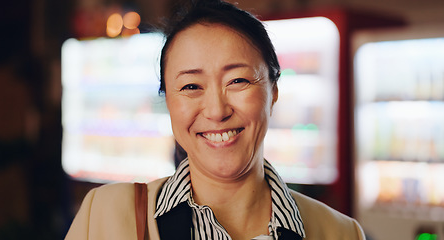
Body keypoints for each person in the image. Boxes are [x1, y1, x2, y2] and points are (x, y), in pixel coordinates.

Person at [65, 0, 366, 239]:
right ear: (168, 100)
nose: (216, 110)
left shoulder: (340, 233)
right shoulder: (105, 216)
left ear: (273, 91)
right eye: (191, 86)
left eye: (237, 81)